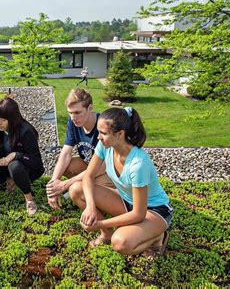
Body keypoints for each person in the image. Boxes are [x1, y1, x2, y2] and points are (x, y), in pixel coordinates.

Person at [80, 107, 173, 257]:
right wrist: (90, 207)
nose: (98, 137)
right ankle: (106, 234)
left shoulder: (138, 164)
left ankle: (157, 236)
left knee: (120, 243)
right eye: (99, 132)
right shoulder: (105, 146)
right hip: (127, 203)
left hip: (154, 211)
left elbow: (138, 213)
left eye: (103, 133)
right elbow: (88, 177)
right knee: (77, 190)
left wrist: (99, 223)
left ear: (120, 134)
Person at [0, 97, 44, 215]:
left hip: (26, 168)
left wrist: (16, 155)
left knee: (15, 166)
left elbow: (36, 162)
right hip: (5, 166)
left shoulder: (26, 132)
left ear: (12, 119)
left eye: (3, 119)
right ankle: (10, 179)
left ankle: (29, 199)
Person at [46, 89, 113, 209]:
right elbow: (65, 154)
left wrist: (65, 185)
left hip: (106, 171)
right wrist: (53, 185)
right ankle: (78, 191)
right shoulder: (73, 123)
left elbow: (103, 166)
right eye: (70, 113)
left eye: (77, 112)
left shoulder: (103, 126)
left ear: (90, 108)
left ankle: (88, 197)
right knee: (65, 165)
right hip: (88, 165)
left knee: (84, 186)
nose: (73, 117)